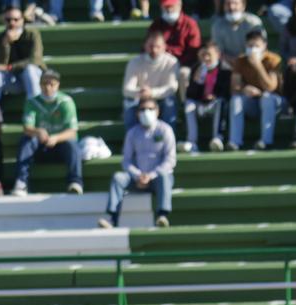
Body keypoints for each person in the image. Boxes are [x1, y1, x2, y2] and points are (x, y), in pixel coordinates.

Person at [98, 96, 176, 229]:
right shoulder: (132, 133)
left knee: (164, 177)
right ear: (137, 112)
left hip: (158, 178)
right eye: (143, 109)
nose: (146, 112)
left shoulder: (165, 130)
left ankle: (162, 215)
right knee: (118, 177)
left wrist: (150, 175)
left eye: (150, 109)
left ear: (157, 111)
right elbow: (126, 161)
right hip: (137, 179)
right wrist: (138, 175)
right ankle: (112, 218)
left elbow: (170, 160)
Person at [13, 68, 82, 196]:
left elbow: (72, 131)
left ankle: (75, 182)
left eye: (52, 84)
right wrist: (37, 131)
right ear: (39, 85)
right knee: (26, 140)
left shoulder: (66, 102)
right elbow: (27, 128)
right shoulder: (32, 102)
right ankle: (21, 182)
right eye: (44, 83)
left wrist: (56, 138)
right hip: (41, 147)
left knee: (72, 144)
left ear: (58, 85)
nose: (48, 87)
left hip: (60, 146)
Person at [227, 30, 283, 151]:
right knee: (236, 100)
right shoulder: (240, 60)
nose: (253, 49)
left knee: (267, 97)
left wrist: (258, 65)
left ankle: (265, 141)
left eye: (257, 46)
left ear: (264, 46)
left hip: (274, 102)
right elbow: (234, 87)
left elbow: (271, 87)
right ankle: (235, 142)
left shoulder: (274, 59)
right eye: (250, 46)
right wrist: (244, 89)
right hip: (252, 102)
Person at [122, 31, 180, 131]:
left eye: (158, 46)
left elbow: (172, 88)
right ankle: (132, 136)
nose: (154, 50)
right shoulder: (135, 62)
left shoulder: (172, 62)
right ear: (145, 46)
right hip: (141, 100)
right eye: (151, 46)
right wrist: (141, 92)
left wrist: (152, 93)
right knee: (129, 101)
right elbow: (127, 89)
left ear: (164, 46)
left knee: (170, 101)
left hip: (161, 100)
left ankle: (168, 135)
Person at [182, 41, 231, 153]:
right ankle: (191, 141)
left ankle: (217, 138)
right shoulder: (196, 69)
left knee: (220, 102)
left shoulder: (225, 70)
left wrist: (214, 96)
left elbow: (226, 92)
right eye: (204, 55)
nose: (206, 58)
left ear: (218, 55)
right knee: (189, 104)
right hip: (201, 105)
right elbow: (191, 95)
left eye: (209, 54)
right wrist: (197, 81)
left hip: (216, 104)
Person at [149, 0, 202, 100]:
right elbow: (149, 46)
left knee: (184, 73)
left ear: (179, 5)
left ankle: (185, 105)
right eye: (166, 7)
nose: (169, 9)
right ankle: (152, 106)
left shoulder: (190, 24)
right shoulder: (156, 25)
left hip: (184, 64)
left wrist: (177, 63)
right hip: (161, 64)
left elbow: (193, 50)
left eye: (171, 6)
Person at [0, 7, 44, 103]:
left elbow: (35, 59)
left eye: (16, 19)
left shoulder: (32, 34)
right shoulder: (0, 39)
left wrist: (10, 67)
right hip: (14, 80)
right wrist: (6, 45)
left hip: (34, 78)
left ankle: (35, 108)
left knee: (29, 69)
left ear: (22, 20)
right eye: (8, 20)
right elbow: (1, 65)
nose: (12, 23)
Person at [211, 0, 265, 66]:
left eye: (235, 3)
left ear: (243, 6)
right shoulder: (218, 25)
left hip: (252, 63)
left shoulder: (253, 22)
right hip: (228, 65)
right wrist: (236, 64)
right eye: (227, 4)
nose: (231, 7)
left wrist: (243, 62)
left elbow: (260, 47)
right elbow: (218, 51)